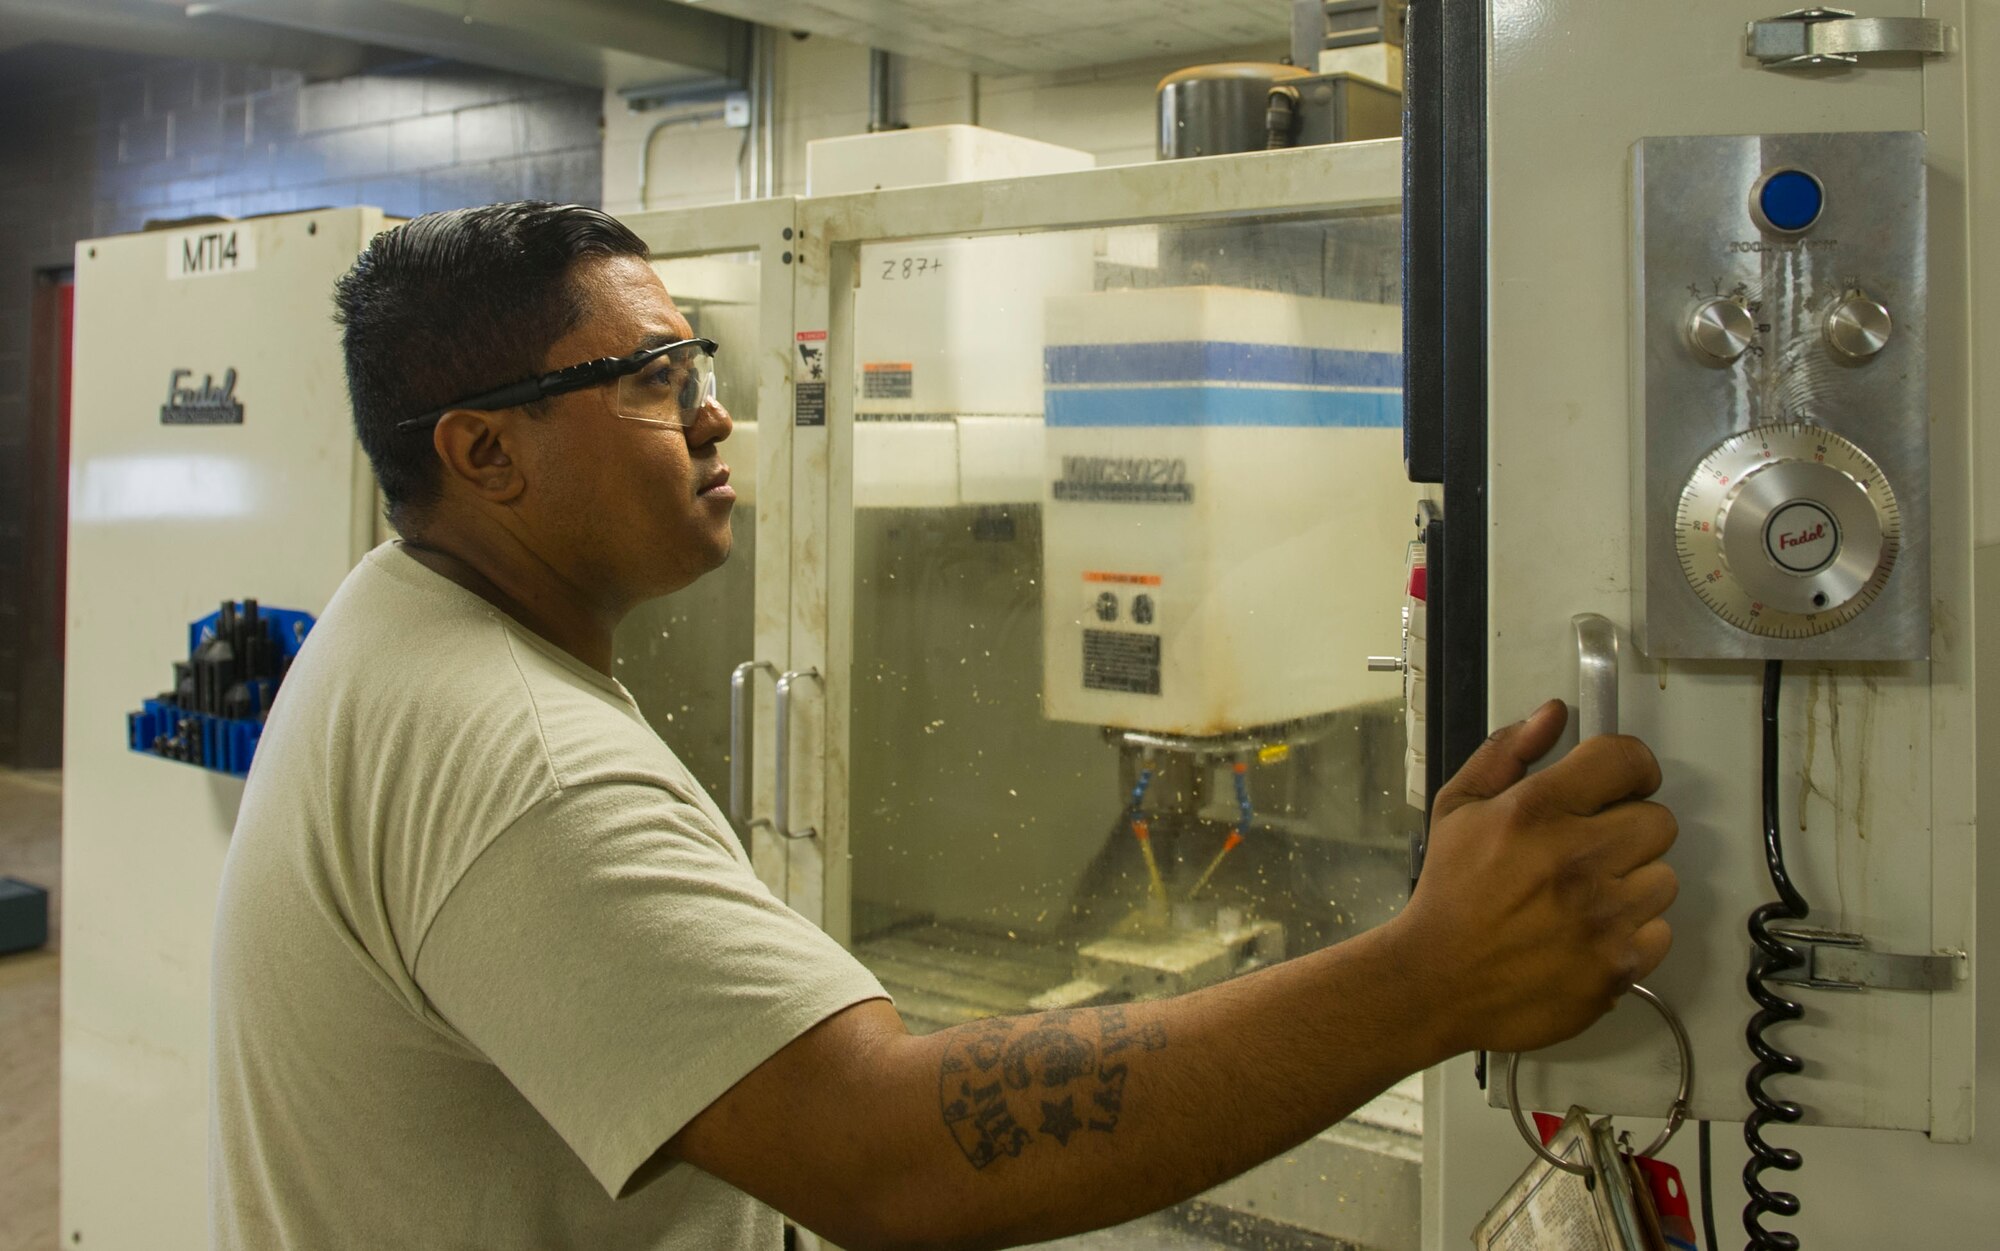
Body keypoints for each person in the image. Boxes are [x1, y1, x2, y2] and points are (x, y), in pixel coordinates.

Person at [210, 201, 1677, 1250]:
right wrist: (1429, 977)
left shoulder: (392, 623)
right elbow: (883, 1159)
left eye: (701, 368)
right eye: (655, 383)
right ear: (482, 453)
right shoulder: (519, 758)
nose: (717, 419)